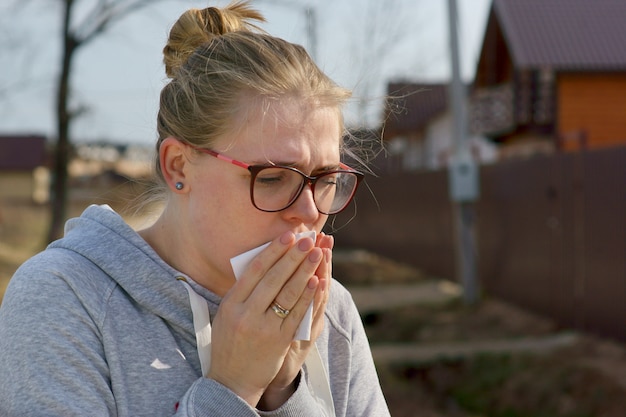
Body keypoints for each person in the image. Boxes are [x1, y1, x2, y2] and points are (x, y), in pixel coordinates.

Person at [0, 2, 390, 416]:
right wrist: (232, 388)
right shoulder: (65, 298)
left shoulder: (330, 313)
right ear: (178, 166)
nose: (309, 211)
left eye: (326, 179)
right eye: (273, 178)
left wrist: (285, 393)